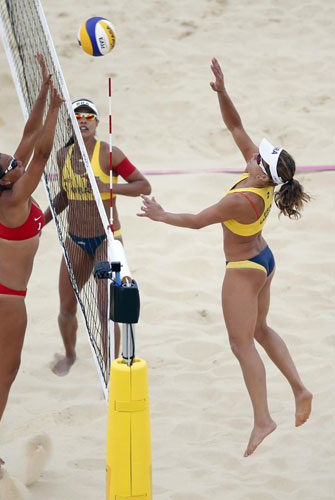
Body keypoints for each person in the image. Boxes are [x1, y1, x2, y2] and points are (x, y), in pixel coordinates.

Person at [138, 58, 313, 457]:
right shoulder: (264, 178)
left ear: (264, 173)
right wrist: (223, 92)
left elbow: (199, 221)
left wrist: (161, 214)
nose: (252, 155)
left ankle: (263, 419)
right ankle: (300, 389)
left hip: (245, 270)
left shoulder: (241, 199)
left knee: (241, 345)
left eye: (258, 158)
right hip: (264, 260)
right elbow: (236, 127)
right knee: (261, 330)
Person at [0, 54, 64, 478]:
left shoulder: (6, 188)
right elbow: (40, 151)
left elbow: (27, 136)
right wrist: (57, 109)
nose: (17, 162)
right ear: (5, 179)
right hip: (6, 296)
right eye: (12, 165)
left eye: (13, 160)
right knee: (8, 370)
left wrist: (42, 92)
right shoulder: (17, 193)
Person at [44, 98, 151, 376]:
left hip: (107, 241)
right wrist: (39, 222)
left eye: (88, 117)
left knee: (105, 310)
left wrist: (109, 186)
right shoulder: (61, 157)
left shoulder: (109, 154)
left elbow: (144, 185)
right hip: (76, 240)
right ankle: (70, 355)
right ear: (69, 124)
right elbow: (65, 196)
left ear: (97, 123)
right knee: (66, 308)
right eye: (77, 117)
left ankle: (109, 372)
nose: (83, 120)